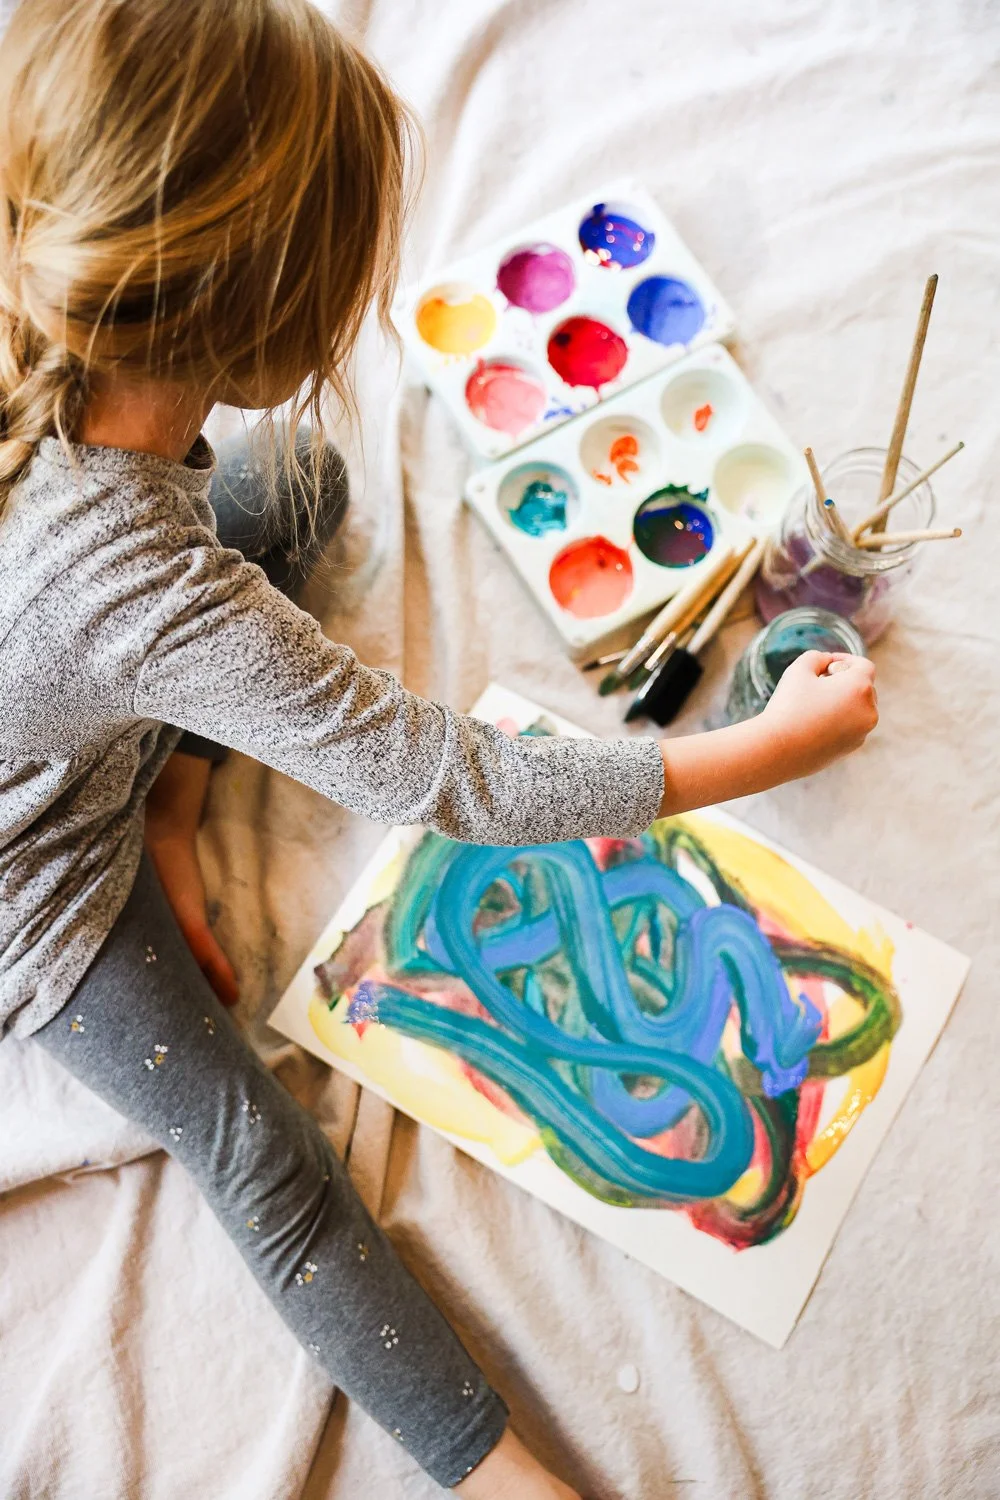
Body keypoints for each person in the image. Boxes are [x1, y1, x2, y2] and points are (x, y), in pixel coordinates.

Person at [0, 1, 878, 1494]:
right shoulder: (135, 586)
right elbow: (458, 782)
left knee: (299, 482)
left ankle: (173, 789)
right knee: (260, 1151)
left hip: (73, 693)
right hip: (35, 878)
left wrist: (174, 785)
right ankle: (499, 1479)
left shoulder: (49, 321)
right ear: (262, 322)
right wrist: (764, 751)